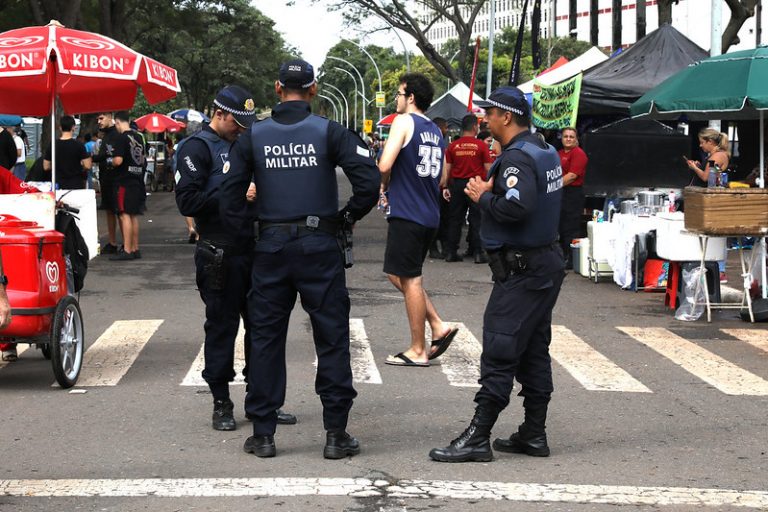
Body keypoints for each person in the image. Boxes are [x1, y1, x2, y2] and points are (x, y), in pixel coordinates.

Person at [221, 59, 380, 459]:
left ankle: (263, 433)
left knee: (265, 338)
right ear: (313, 89)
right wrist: (345, 218)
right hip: (319, 246)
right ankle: (335, 434)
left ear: (277, 88)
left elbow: (230, 197)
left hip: (270, 247)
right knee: (330, 337)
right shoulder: (329, 132)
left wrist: (250, 235)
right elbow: (369, 182)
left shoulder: (253, 136)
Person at [429, 85, 565, 463]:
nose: (485, 119)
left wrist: (482, 197)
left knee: (501, 349)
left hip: (523, 269)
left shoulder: (519, 157)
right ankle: (533, 433)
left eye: (490, 113)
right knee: (534, 349)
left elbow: (516, 208)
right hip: (543, 264)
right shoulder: (545, 149)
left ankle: (478, 436)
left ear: (506, 116)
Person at [176, 86, 298, 433]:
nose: (242, 129)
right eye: (236, 122)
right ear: (219, 114)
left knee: (262, 328)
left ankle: (261, 401)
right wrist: (232, 192)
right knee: (222, 327)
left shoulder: (246, 145)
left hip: (256, 249)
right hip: (219, 250)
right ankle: (221, 402)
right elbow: (188, 200)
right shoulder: (196, 149)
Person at [378, 73, 459, 368]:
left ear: (411, 97)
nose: (397, 99)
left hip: (408, 211)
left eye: (399, 94)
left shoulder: (403, 122)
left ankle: (418, 349)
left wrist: (384, 183)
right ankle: (437, 324)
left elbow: (385, 163)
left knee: (410, 278)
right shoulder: (436, 131)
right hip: (428, 213)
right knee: (398, 273)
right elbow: (440, 177)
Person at [442, 114, 493, 264]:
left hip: (457, 185)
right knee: (476, 219)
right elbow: (488, 168)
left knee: (455, 219)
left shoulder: (453, 146)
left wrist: (445, 186)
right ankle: (478, 252)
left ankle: (451, 252)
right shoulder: (481, 145)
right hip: (475, 184)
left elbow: (447, 169)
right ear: (474, 127)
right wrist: (489, 185)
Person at [684, 127, 730, 281]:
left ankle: (720, 269)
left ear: (710, 141)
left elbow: (705, 178)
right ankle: (715, 267)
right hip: (710, 200)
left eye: (702, 142)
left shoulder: (717, 156)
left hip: (714, 201)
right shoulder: (715, 155)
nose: (700, 146)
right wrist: (699, 165)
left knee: (716, 235)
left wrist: (694, 168)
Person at [109, 112, 147, 260]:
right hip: (137, 180)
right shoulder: (138, 137)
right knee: (133, 215)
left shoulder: (121, 138)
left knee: (124, 214)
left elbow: (118, 160)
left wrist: (110, 162)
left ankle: (127, 249)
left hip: (124, 181)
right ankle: (135, 248)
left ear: (117, 123)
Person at [91, 112, 122, 254]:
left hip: (116, 178)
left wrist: (94, 158)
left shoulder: (117, 134)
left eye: (102, 118)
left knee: (120, 211)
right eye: (98, 119)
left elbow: (111, 156)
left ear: (111, 117)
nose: (99, 121)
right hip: (105, 178)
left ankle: (125, 243)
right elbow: (103, 155)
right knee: (109, 210)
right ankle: (112, 242)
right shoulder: (106, 135)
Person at [557, 127, 588, 270]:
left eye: (571, 137)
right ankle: (562, 255)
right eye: (565, 136)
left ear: (576, 139)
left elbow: (572, 176)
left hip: (572, 192)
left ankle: (571, 258)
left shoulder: (578, 154)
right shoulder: (559, 153)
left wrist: (552, 186)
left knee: (571, 226)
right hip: (560, 193)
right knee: (561, 225)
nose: (568, 139)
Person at [43, 115, 92, 190]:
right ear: (73, 127)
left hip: (58, 184)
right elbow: (88, 166)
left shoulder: (53, 144)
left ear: (60, 128)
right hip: (75, 184)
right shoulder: (79, 145)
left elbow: (46, 166)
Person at [428, 116, 450, 259]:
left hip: (427, 187)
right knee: (438, 219)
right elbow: (444, 171)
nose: (447, 130)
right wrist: (445, 184)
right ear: (440, 128)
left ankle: (433, 247)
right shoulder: (439, 143)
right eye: (446, 127)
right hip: (436, 188)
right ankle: (434, 247)